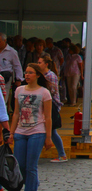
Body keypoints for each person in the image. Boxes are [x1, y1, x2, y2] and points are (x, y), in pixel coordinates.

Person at [10, 63, 53, 191]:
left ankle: (31, 187)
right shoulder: (19, 90)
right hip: (20, 131)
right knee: (20, 165)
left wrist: (48, 137)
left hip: (37, 132)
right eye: (26, 72)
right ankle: (33, 181)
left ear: (38, 75)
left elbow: (48, 117)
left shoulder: (44, 92)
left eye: (30, 73)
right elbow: (16, 113)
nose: (27, 75)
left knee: (31, 166)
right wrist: (11, 133)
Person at [38, 53, 67, 163]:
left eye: (40, 62)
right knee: (50, 131)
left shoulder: (50, 76)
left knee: (51, 130)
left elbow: (52, 91)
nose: (38, 64)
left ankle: (62, 154)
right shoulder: (42, 75)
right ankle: (61, 154)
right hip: (45, 105)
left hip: (52, 106)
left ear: (46, 64)